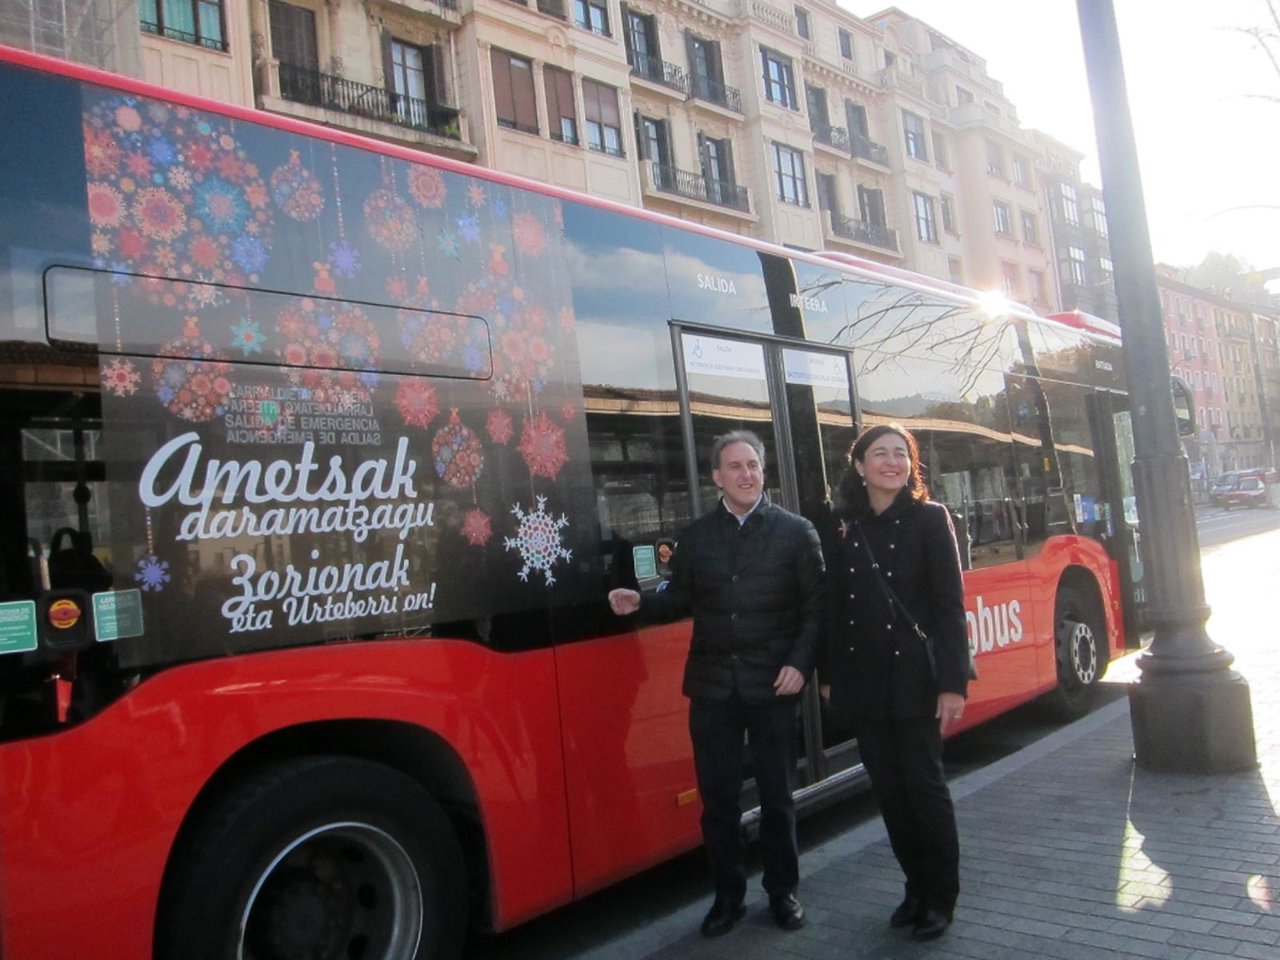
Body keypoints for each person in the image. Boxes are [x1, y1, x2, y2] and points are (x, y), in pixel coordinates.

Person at [608, 430, 824, 938]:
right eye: (736, 466)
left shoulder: (797, 532)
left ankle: (782, 892)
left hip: (774, 685)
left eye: (753, 464)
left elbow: (818, 611)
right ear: (716, 477)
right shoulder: (698, 536)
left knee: (777, 797)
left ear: (763, 471)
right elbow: (681, 597)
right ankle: (728, 898)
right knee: (718, 802)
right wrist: (642, 604)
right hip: (711, 689)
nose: (747, 474)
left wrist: (800, 663)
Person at [821, 423, 969, 942]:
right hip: (863, 682)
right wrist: (830, 677)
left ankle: (940, 895)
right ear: (858, 466)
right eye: (879, 454)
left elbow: (950, 608)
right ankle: (914, 885)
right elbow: (834, 609)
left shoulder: (931, 519)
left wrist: (953, 682)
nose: (891, 463)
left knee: (924, 789)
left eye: (900, 454)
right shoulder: (842, 525)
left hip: (915, 679)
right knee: (888, 791)